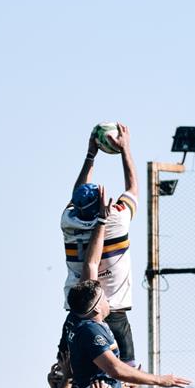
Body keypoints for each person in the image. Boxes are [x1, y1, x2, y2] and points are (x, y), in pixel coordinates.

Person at [66, 277, 190, 388]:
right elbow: (114, 368)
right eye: (103, 297)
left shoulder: (85, 324)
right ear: (95, 309)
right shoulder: (90, 329)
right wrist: (160, 380)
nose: (107, 299)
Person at [59, 123, 139, 367]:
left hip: (78, 311)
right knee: (127, 377)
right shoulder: (116, 220)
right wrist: (125, 149)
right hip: (112, 310)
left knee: (68, 376)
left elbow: (77, 194)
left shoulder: (68, 222)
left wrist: (90, 154)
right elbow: (132, 188)